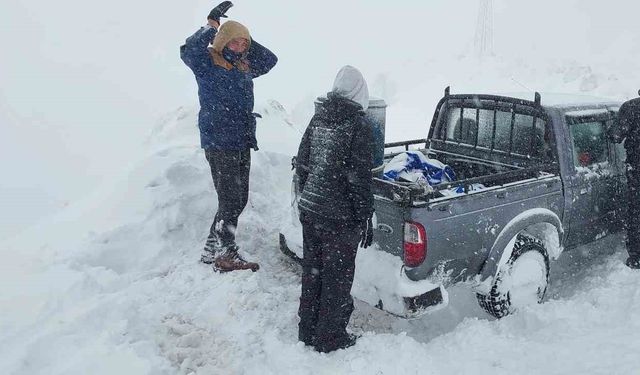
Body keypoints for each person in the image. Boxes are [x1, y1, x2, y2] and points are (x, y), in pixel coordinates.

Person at [180, 3, 278, 272]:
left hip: (241, 139)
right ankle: (225, 254)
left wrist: (244, 36)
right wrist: (213, 25)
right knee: (230, 199)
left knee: (238, 198)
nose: (239, 47)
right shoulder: (207, 64)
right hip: (219, 140)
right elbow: (189, 51)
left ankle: (212, 248)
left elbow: (270, 60)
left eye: (243, 44)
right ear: (222, 42)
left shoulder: (243, 67)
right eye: (233, 42)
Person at [295, 65, 375, 352]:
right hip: (339, 217)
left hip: (312, 210)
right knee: (337, 279)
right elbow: (359, 177)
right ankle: (330, 337)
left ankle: (307, 329)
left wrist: (308, 195)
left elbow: (302, 162)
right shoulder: (358, 125)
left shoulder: (319, 117)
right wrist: (365, 215)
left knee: (313, 272)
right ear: (359, 92)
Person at [618, 93, 640, 269]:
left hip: (637, 168)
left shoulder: (630, 107)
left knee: (636, 211)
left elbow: (615, 135)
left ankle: (636, 256)